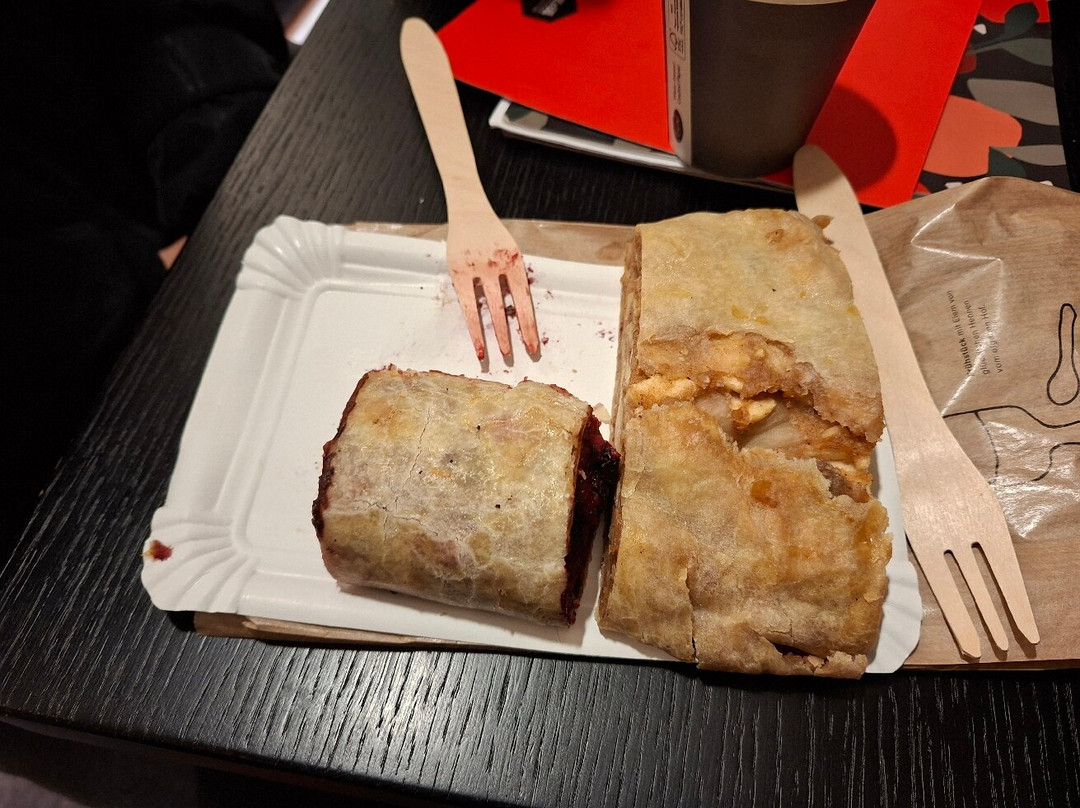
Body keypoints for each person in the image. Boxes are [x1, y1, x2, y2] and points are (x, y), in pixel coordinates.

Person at [1, 0, 290, 551]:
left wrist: (221, 162)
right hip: (54, 441)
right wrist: (123, 280)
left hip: (183, 199)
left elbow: (184, 21)